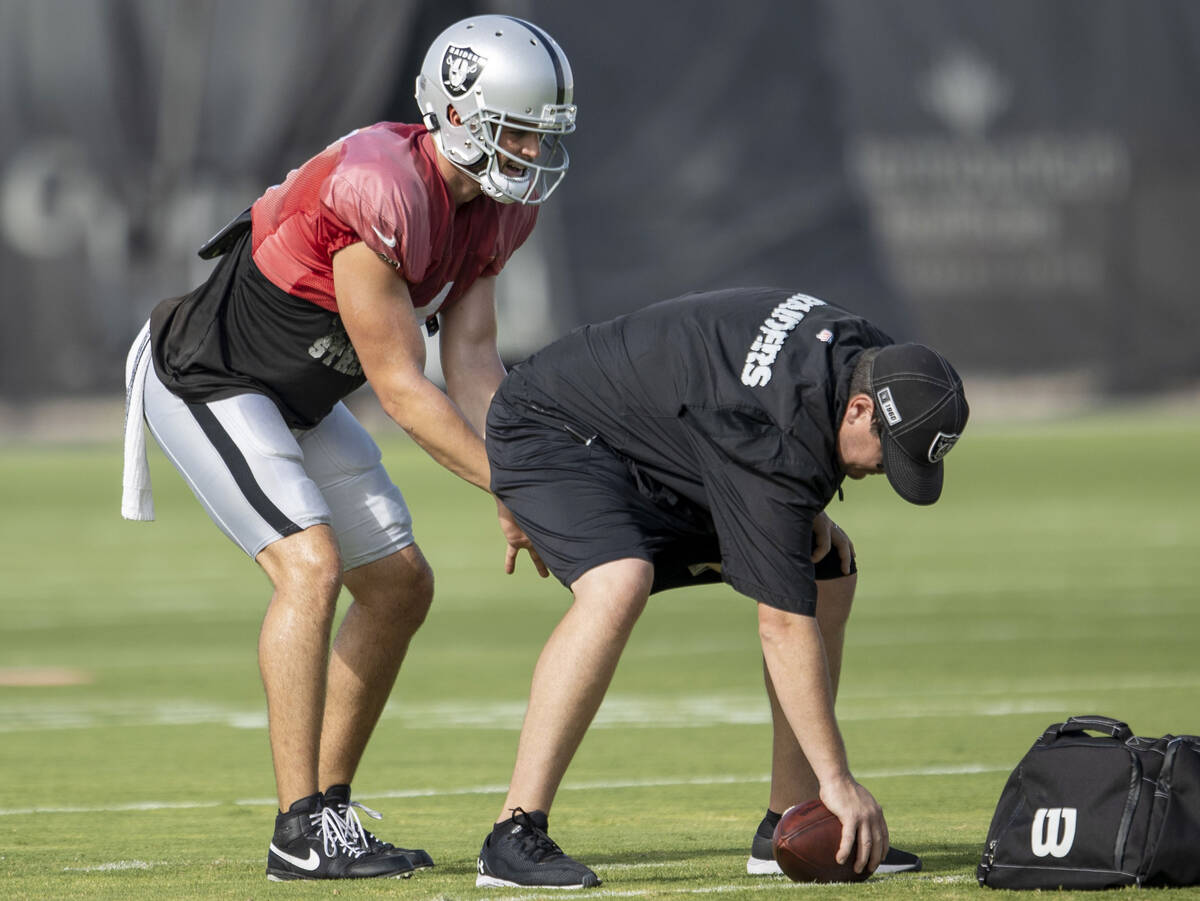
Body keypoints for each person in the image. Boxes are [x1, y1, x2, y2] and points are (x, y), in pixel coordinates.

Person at [119, 14, 575, 882]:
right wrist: (509, 492)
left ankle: (328, 811)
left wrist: (528, 475)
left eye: (540, 132)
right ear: (458, 113)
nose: (531, 150)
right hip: (211, 375)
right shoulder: (382, 185)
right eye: (517, 128)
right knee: (311, 565)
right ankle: (298, 830)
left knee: (400, 585)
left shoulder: (498, 209)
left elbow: (474, 364)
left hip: (298, 394)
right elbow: (401, 388)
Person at [474, 287, 969, 889]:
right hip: (550, 427)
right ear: (860, 409)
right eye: (889, 454)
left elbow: (746, 412)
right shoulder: (777, 432)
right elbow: (781, 624)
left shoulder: (870, 357)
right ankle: (512, 833)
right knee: (619, 580)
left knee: (828, 567)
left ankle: (790, 820)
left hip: (658, 435)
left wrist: (802, 510)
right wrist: (839, 779)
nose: (883, 470)